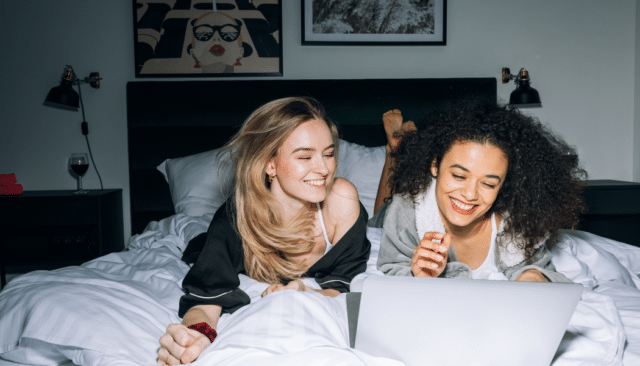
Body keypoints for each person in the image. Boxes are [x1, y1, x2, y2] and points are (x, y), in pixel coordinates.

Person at [157, 97, 370, 365]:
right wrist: (196, 336)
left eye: (328, 154)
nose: (324, 168)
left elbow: (343, 283)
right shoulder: (236, 218)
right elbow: (206, 299)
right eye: (305, 156)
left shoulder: (342, 199)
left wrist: (306, 292)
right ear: (270, 165)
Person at [374, 101, 586, 282]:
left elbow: (540, 267)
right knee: (379, 216)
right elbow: (393, 266)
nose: (469, 194)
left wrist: (532, 277)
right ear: (435, 165)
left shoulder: (516, 221)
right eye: (459, 176)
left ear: (504, 185)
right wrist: (422, 278)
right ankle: (395, 150)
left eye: (489, 184)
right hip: (393, 209)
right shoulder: (407, 207)